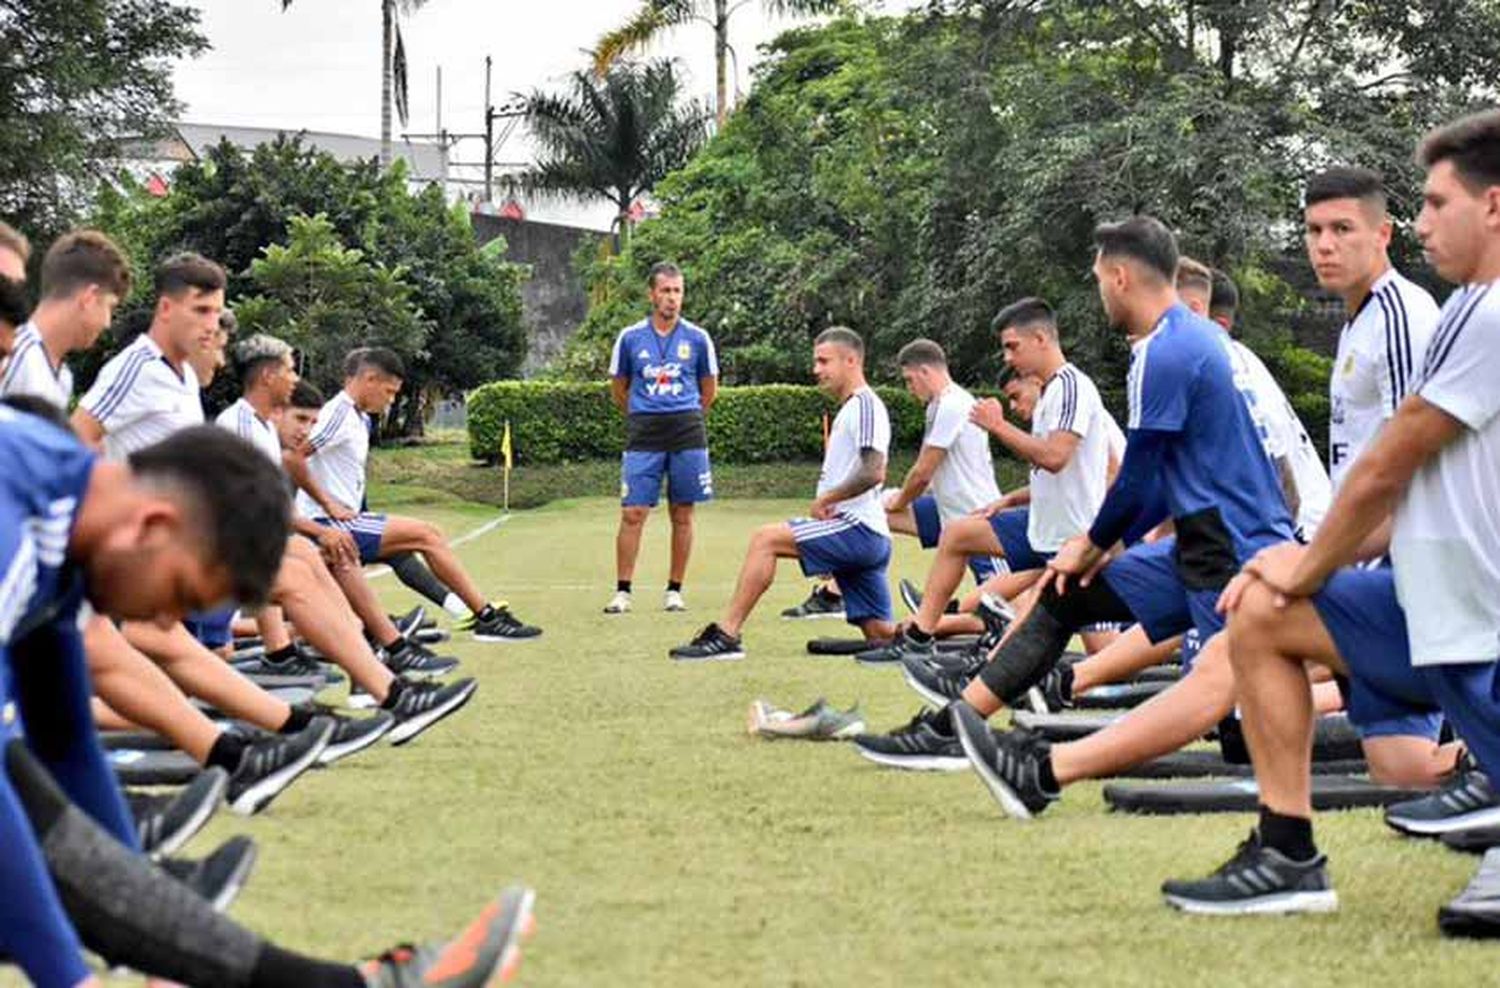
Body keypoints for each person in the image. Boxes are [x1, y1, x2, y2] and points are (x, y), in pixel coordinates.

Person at [1161, 111, 1500, 934]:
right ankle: (1287, 855)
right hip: (1432, 600)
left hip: (1480, 617)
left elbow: (1390, 461)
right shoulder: (1464, 310)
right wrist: (1303, 563)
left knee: (1281, 600)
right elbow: (1407, 484)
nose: (1420, 224)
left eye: (1435, 203)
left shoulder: (1480, 317)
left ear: (1494, 206)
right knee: (1263, 618)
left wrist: (1308, 564)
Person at [868, 216, 1295, 794]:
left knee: (1239, 726)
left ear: (1120, 277)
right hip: (1205, 538)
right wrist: (1109, 543)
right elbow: (1169, 471)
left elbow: (1141, 472)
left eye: (1098, 279)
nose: (1098, 293)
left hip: (1232, 549)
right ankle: (950, 730)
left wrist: (1093, 544)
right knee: (1062, 594)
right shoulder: (1175, 345)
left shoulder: (1167, 351)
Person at [854, 298, 1117, 670]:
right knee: (957, 535)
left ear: (1040, 338)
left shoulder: (1074, 387)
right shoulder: (1050, 392)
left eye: (1012, 346)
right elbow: (1059, 473)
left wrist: (998, 426)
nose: (1007, 357)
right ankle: (920, 637)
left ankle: (1157, 681)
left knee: (1102, 653)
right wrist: (1010, 499)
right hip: (1040, 525)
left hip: (1071, 537)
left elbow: (1055, 458)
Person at [669, 327, 895, 660]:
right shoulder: (853, 407)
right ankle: (972, 627)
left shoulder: (865, 405)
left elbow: (874, 471)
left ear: (851, 360)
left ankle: (727, 635)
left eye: (823, 361)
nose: (816, 369)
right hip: (864, 534)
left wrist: (827, 499)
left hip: (858, 529)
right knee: (883, 636)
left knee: (766, 539)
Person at [287, 346, 542, 642]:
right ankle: (486, 618)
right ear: (369, 379)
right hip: (325, 524)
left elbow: (343, 475)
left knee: (401, 552)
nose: (391, 400)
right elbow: (292, 456)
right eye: (389, 391)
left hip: (343, 518)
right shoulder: (337, 413)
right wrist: (325, 506)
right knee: (427, 534)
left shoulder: (361, 418)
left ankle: (456, 613)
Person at [604, 261, 719, 614]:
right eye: (666, 291)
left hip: (687, 430)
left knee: (682, 513)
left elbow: (709, 390)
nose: (672, 298)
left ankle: (674, 591)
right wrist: (644, 411)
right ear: (652, 294)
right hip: (644, 431)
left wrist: (683, 413)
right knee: (633, 512)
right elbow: (619, 388)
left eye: (677, 291)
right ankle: (623, 592)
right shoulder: (630, 337)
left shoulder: (698, 338)